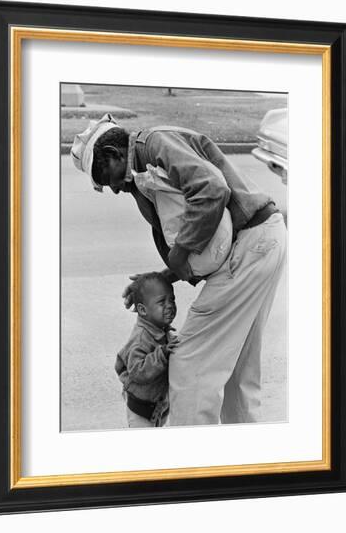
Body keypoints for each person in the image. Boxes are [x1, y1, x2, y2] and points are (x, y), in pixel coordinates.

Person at [71, 113, 287, 425]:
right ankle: (243, 462)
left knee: (190, 366)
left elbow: (211, 190)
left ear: (114, 155)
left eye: (108, 178)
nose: (115, 188)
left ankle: (192, 464)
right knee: (238, 371)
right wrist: (163, 276)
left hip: (250, 247)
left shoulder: (154, 143)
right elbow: (199, 244)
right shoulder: (143, 166)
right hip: (262, 242)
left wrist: (180, 253)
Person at [114, 272, 178, 428]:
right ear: (143, 310)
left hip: (158, 406)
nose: (169, 306)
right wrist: (161, 354)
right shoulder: (141, 338)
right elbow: (137, 371)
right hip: (141, 411)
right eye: (162, 302)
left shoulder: (160, 329)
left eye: (172, 300)